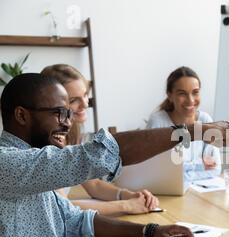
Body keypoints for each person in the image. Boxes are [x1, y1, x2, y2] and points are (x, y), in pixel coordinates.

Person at [0, 73, 229, 237]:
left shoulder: (32, 168)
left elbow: (78, 219)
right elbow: (98, 155)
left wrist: (150, 230)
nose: (67, 123)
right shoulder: (7, 164)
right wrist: (191, 131)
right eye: (59, 114)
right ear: (21, 115)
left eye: (69, 114)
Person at [41, 64, 159, 216]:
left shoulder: (71, 134)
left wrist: (128, 195)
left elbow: (94, 185)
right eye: (74, 100)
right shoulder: (45, 146)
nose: (85, 104)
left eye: (85, 95)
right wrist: (126, 206)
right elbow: (62, 208)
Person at [146, 66, 221, 182]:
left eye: (195, 92)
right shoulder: (158, 122)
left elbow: (215, 168)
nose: (190, 100)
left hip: (201, 192)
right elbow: (155, 171)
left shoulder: (205, 120)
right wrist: (200, 164)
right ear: (169, 95)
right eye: (182, 94)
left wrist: (180, 172)